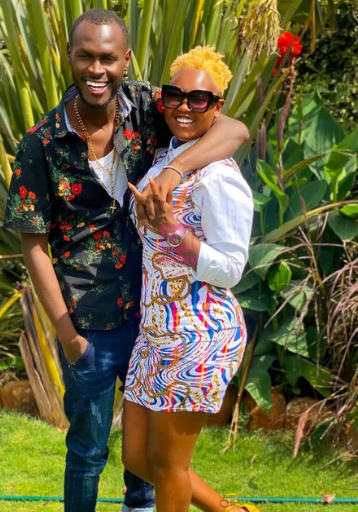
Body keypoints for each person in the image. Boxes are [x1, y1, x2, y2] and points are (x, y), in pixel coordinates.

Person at [3, 9, 249, 512]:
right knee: (88, 453)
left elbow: (233, 128)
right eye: (86, 56)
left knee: (147, 466)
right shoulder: (41, 143)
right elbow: (33, 244)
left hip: (156, 319)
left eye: (108, 58)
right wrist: (68, 336)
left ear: (126, 60)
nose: (97, 69)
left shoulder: (147, 106)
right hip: (89, 324)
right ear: (69, 57)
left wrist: (173, 172)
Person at [123, 47, 255, 512]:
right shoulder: (168, 156)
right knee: (137, 457)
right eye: (175, 95)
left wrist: (172, 232)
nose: (184, 106)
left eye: (199, 99)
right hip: (156, 331)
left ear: (217, 108)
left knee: (168, 466)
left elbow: (231, 269)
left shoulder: (219, 179)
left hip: (198, 332)